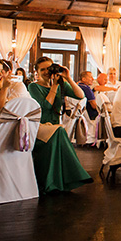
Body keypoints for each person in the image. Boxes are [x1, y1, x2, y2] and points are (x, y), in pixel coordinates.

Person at [27, 57, 93, 193]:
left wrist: (68, 78)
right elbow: (45, 106)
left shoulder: (60, 84)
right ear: (37, 72)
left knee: (59, 132)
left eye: (49, 68)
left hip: (55, 128)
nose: (46, 72)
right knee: (59, 132)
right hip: (40, 127)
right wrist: (55, 86)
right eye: (42, 69)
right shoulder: (33, 86)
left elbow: (81, 96)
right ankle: (74, 175)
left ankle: (61, 180)